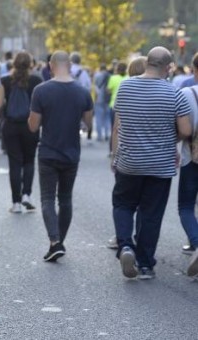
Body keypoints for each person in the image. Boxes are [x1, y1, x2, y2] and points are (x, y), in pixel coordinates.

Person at [111, 47, 192, 280]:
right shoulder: (174, 93)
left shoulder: (126, 87)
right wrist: (168, 136)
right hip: (160, 165)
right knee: (151, 214)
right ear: (168, 67)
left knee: (123, 205)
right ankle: (145, 264)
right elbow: (186, 130)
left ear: (147, 63)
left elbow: (120, 121)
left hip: (129, 162)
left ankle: (125, 246)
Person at [28, 51, 94, 262]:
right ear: (70, 66)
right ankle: (59, 242)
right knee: (65, 199)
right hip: (71, 152)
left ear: (51, 65)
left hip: (48, 151)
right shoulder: (83, 92)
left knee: (47, 198)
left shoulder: (41, 90)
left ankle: (55, 242)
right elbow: (89, 123)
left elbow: (33, 125)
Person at [105, 56, 147, 251]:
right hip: (152, 158)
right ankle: (142, 238)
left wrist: (114, 155)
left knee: (124, 202)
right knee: (145, 203)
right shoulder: (159, 91)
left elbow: (116, 129)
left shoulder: (126, 90)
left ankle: (122, 238)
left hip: (127, 157)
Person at [0, 52, 43, 213]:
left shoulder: (5, 80)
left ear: (13, 64)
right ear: (30, 64)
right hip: (30, 125)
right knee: (29, 161)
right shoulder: (36, 80)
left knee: (14, 164)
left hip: (11, 126)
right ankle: (26, 195)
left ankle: (15, 203)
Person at [178, 80, 198, 276]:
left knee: (185, 207)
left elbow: (181, 129)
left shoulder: (186, 93)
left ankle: (196, 242)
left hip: (191, 158)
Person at [93, 64, 111, 142]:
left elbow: (95, 88)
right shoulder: (110, 76)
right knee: (107, 118)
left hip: (99, 99)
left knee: (98, 118)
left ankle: (99, 136)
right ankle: (107, 134)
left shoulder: (97, 75)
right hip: (108, 100)